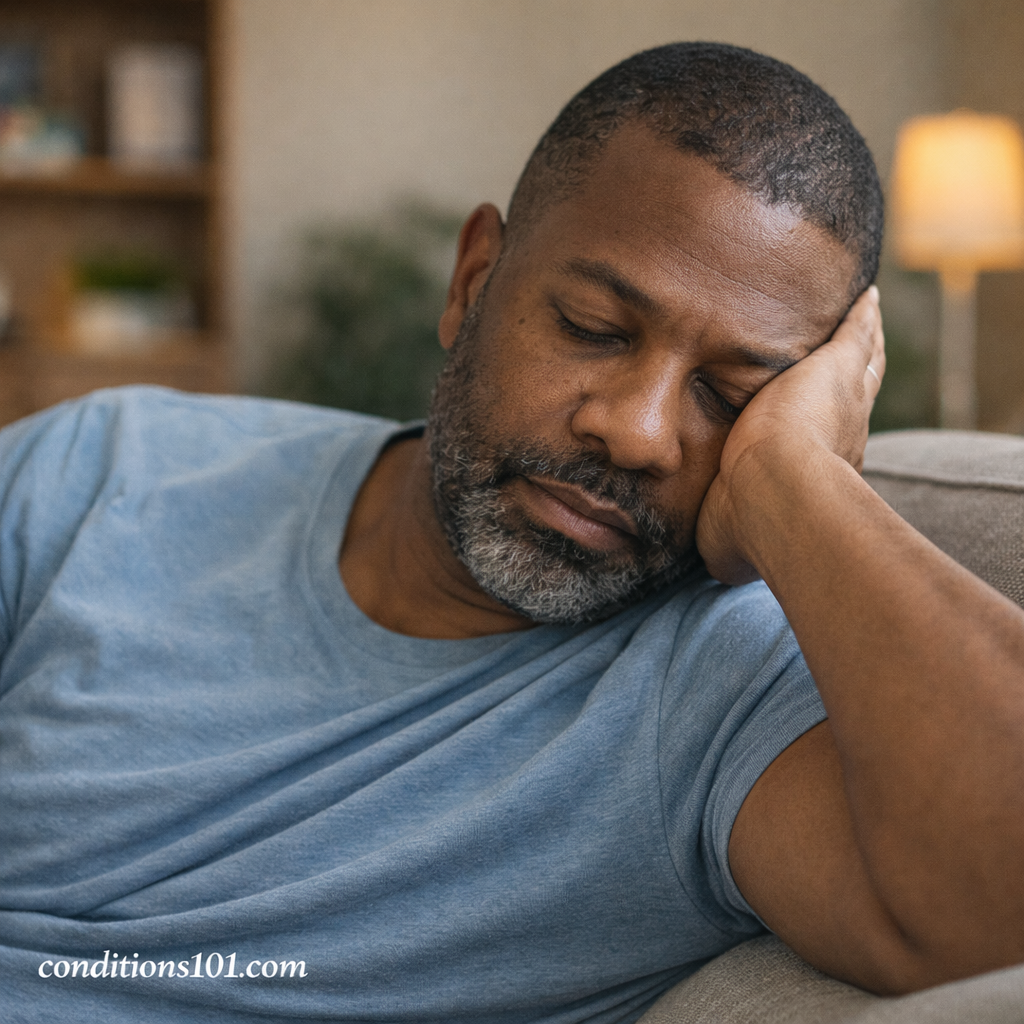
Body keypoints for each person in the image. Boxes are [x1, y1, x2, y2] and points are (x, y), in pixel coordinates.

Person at [2, 42, 1023, 1024]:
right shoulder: (104, 469)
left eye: (731, 394)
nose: (634, 431)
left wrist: (802, 486)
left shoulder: (715, 698)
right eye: (592, 327)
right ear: (472, 279)